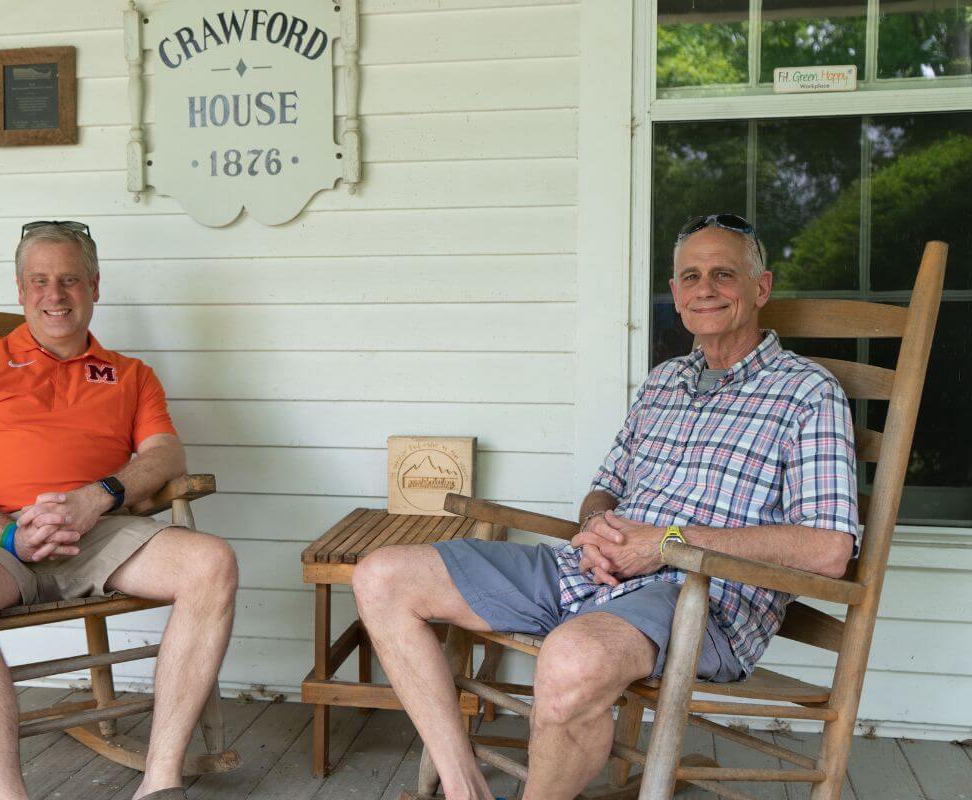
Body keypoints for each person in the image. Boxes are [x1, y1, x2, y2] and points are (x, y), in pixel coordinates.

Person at [352, 214, 859, 800]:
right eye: (690, 276)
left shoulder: (807, 393)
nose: (705, 289)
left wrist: (666, 543)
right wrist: (595, 526)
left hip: (699, 601)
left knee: (569, 662)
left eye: (724, 274)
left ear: (761, 288)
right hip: (589, 575)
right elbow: (606, 488)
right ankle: (466, 786)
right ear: (675, 294)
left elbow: (829, 549)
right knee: (381, 575)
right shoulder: (664, 382)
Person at [0, 221, 238, 800]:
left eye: (69, 280)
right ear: (19, 290)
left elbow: (166, 454)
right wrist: (8, 534)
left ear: (94, 285)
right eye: (39, 281)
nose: (54, 295)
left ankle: (161, 782)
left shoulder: (130, 375)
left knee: (210, 563)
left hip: (99, 533)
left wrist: (97, 496)